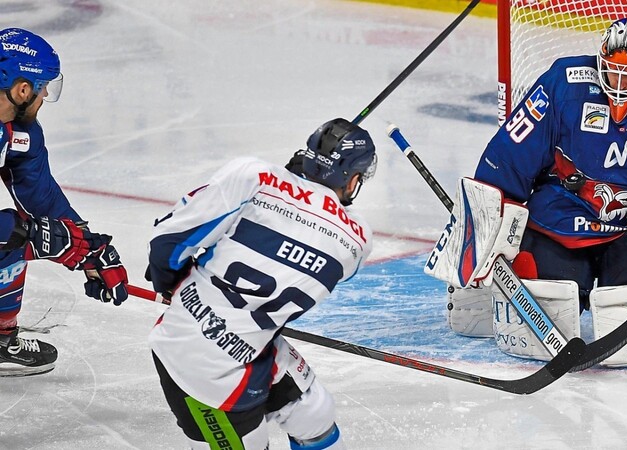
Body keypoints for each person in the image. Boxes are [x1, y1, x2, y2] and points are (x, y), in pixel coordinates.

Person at [429, 18, 627, 347]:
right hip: (560, 221)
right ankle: (494, 295)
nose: (619, 82)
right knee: (540, 300)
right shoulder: (564, 86)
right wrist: (490, 222)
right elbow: (511, 156)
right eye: (612, 71)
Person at [147, 118, 377, 449]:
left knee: (314, 415)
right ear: (353, 179)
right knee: (315, 414)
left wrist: (169, 284)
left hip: (203, 338)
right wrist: (303, 189)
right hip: (208, 371)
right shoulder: (357, 240)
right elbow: (311, 227)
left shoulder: (252, 176)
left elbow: (168, 242)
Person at [0, 28, 129, 376]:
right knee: (13, 233)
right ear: (22, 89)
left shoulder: (16, 130)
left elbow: (39, 193)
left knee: (16, 234)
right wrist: (41, 239)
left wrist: (86, 246)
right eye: (42, 89)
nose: (43, 98)